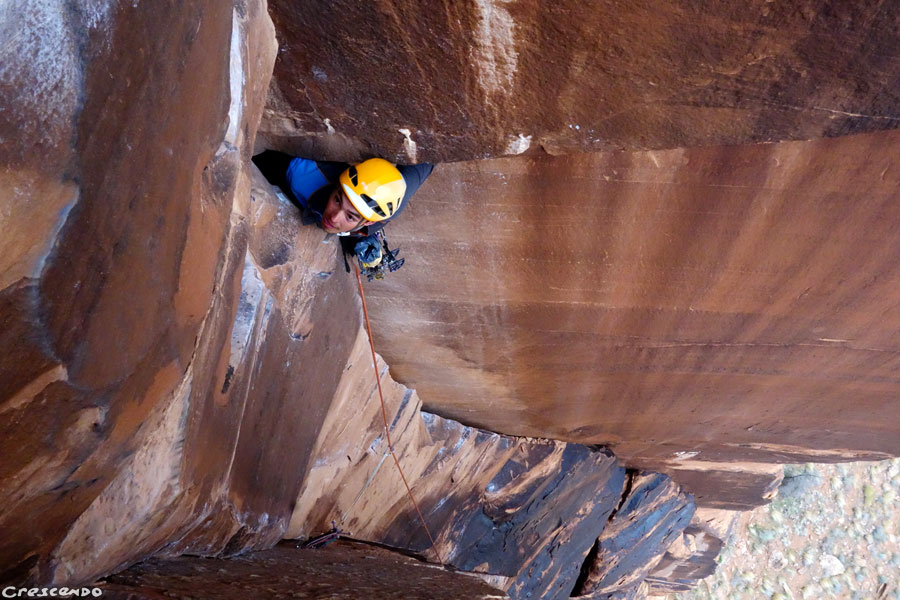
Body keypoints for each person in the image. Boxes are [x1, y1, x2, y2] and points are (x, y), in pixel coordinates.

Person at [252, 150, 433, 270]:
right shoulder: (302, 176)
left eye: (350, 216)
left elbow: (428, 158)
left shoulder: (393, 203)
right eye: (337, 200)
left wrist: (354, 244)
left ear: (370, 221)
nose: (334, 217)